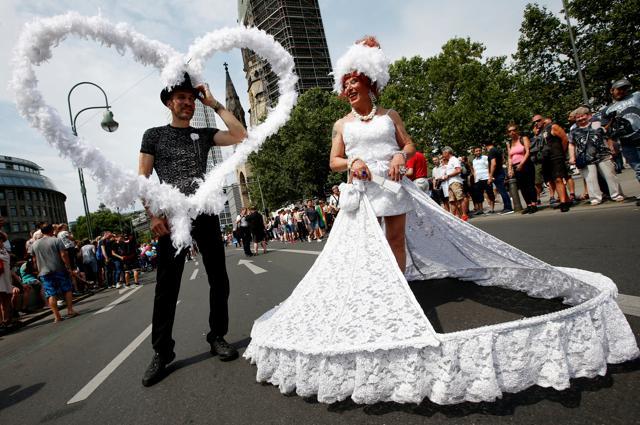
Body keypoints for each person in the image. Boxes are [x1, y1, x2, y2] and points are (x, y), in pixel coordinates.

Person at [244, 37, 639, 406]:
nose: (349, 89)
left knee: (396, 241)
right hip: (363, 192)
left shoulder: (389, 114)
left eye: (354, 83)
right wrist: (352, 162)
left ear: (369, 84)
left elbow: (409, 143)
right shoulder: (340, 125)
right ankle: (379, 296)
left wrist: (401, 157)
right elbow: (333, 160)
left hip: (393, 187)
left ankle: (399, 294)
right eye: (345, 84)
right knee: (370, 247)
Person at [138, 72, 247, 386]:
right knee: (167, 286)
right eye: (181, 98)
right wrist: (151, 215)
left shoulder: (206, 133)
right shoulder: (153, 135)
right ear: (170, 102)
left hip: (205, 211)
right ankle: (162, 352)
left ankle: (217, 336)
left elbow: (240, 134)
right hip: (171, 216)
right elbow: (143, 178)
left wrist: (213, 103)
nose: (187, 102)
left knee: (219, 277)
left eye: (191, 98)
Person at [568, 106, 624, 205]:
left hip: (603, 154)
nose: (581, 119)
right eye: (578, 117)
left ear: (588, 116)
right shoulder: (573, 130)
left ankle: (616, 195)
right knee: (590, 179)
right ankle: (595, 198)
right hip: (586, 158)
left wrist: (612, 148)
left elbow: (607, 136)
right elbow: (571, 144)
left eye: (582, 116)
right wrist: (572, 157)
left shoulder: (597, 124)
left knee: (610, 176)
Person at [599, 78, 640, 205]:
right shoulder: (607, 110)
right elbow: (605, 130)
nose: (622, 91)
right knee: (638, 168)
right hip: (627, 142)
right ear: (612, 90)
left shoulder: (637, 96)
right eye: (619, 89)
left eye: (625, 88)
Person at [30, 223, 78, 323]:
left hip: (44, 272)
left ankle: (57, 316)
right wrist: (69, 267)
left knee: (51, 293)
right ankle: (70, 310)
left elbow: (34, 260)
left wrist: (38, 270)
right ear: (52, 230)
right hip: (59, 269)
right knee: (67, 289)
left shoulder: (35, 244)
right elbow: (64, 254)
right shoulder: (56, 240)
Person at [533, 114, 571, 212]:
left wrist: (560, 152)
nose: (536, 123)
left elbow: (565, 139)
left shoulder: (552, 126)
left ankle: (563, 203)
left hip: (556, 157)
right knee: (553, 181)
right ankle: (565, 199)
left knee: (558, 179)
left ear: (543, 119)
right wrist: (536, 134)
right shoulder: (539, 132)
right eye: (534, 122)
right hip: (546, 159)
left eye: (538, 120)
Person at [506, 124, 538, 214]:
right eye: (509, 131)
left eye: (513, 130)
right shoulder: (509, 143)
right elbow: (509, 157)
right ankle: (528, 205)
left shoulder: (523, 138)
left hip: (526, 164)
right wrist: (510, 168)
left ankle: (534, 204)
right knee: (522, 187)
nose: (512, 132)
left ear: (517, 130)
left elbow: (527, 152)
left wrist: (522, 163)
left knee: (530, 185)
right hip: (516, 166)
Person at [485, 140, 513, 214]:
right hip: (500, 172)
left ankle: (508, 208)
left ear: (486, 146)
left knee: (502, 191)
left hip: (497, 174)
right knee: (502, 191)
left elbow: (493, 164)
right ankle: (507, 207)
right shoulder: (497, 150)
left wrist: (490, 176)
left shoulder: (491, 151)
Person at [440, 147, 466, 220]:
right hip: (450, 183)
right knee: (452, 201)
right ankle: (454, 217)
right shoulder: (450, 161)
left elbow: (458, 170)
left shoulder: (454, 159)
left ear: (447, 153)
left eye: (443, 154)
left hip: (455, 182)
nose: (443, 156)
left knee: (460, 198)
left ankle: (464, 215)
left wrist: (448, 176)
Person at [471, 146, 495, 214]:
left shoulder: (485, 157)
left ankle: (492, 209)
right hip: (478, 180)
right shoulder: (474, 160)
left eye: (479, 150)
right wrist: (475, 179)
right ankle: (480, 210)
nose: (478, 152)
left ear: (481, 151)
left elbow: (489, 167)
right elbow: (474, 170)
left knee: (490, 193)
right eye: (476, 151)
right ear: (474, 152)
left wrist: (490, 177)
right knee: (479, 195)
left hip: (486, 178)